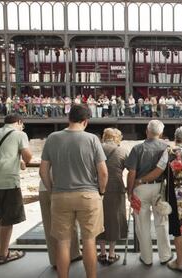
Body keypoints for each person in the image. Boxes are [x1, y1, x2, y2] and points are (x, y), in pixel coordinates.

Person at [39, 104, 108, 278]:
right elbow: (103, 172)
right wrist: (101, 191)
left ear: (68, 118)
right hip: (88, 195)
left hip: (61, 196)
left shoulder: (53, 138)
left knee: (63, 243)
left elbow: (43, 171)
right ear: (86, 121)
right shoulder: (92, 139)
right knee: (89, 241)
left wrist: (52, 189)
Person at [135, 126, 182, 271]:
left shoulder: (171, 152)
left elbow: (157, 171)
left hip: (178, 194)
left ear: (176, 138)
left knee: (178, 229)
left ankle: (180, 263)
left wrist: (140, 180)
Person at [0, 114, 32, 265]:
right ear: (19, 122)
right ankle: (3, 255)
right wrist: (23, 161)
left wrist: (17, 160)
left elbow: (4, 155)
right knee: (8, 221)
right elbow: (28, 156)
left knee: (2, 219)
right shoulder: (20, 134)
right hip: (8, 183)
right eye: (22, 125)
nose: (22, 127)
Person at [125, 120, 173, 266]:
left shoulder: (137, 149)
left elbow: (131, 173)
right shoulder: (166, 148)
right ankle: (165, 256)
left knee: (142, 224)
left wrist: (130, 191)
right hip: (159, 188)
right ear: (161, 133)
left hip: (140, 189)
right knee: (161, 222)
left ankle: (147, 258)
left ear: (147, 131)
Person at [97, 128, 128, 265]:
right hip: (116, 189)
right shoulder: (122, 150)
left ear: (105, 137)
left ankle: (102, 253)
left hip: (97, 188)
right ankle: (111, 254)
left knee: (99, 220)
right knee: (114, 220)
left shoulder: (97, 148)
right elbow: (131, 168)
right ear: (117, 138)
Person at [38, 175, 82, 268]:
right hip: (64, 188)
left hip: (45, 187)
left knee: (50, 225)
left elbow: (43, 171)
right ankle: (73, 254)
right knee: (71, 222)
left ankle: (55, 260)